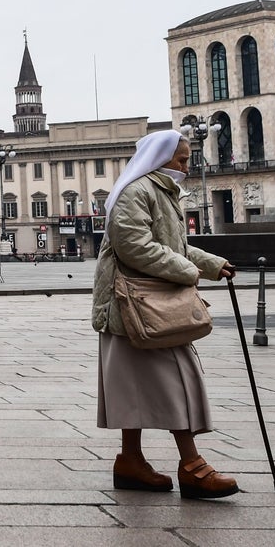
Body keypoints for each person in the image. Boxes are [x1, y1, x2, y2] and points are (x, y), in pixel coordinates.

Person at [91, 129, 239, 500]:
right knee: (178, 382)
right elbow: (134, 246)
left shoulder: (160, 191)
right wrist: (189, 272)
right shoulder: (136, 193)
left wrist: (212, 264)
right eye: (182, 160)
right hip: (136, 307)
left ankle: (130, 461)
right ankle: (192, 466)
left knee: (131, 389)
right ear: (161, 159)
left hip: (148, 305)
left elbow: (175, 245)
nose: (187, 168)